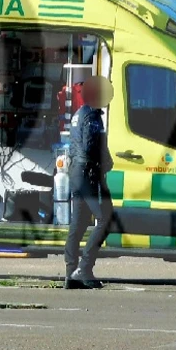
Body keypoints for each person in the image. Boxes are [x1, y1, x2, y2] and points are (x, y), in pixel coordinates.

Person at [63, 76, 114, 290]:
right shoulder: (92, 116)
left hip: (76, 171)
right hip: (88, 172)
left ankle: (70, 272)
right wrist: (105, 163)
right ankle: (84, 267)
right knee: (105, 218)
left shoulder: (78, 113)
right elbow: (92, 144)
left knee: (79, 223)